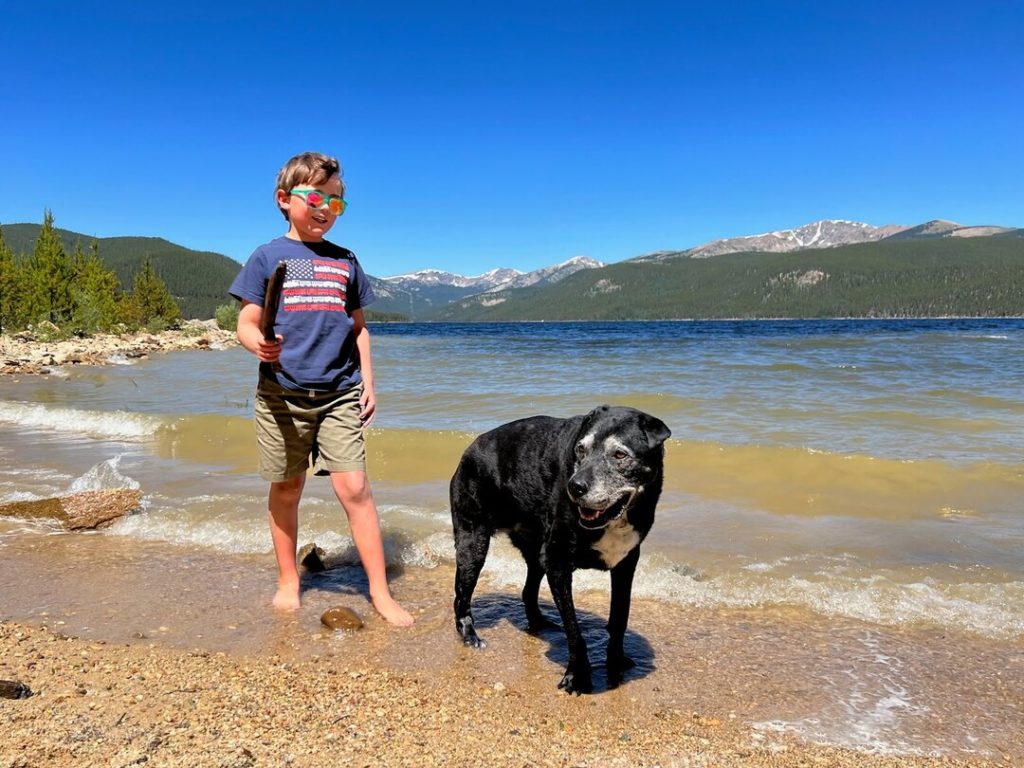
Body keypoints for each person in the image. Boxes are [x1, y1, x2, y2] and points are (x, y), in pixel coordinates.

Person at [229, 151, 413, 626]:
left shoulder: (346, 261)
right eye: (316, 197)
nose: (325, 208)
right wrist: (259, 346)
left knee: (356, 489)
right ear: (285, 199)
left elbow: (359, 329)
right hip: (281, 396)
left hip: (338, 393)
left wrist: (369, 382)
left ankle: (379, 592)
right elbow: (246, 323)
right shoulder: (267, 257)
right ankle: (289, 579)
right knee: (287, 487)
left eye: (336, 202)